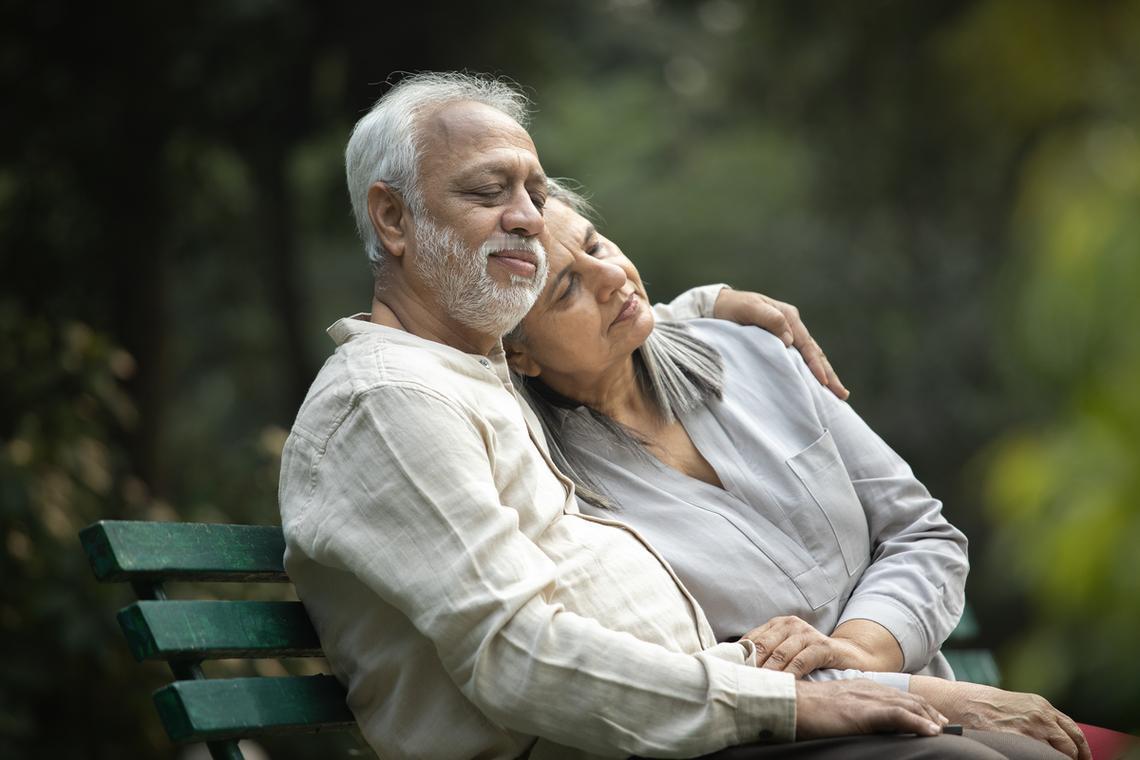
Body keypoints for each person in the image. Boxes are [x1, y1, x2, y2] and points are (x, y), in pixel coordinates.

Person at [279, 71, 1066, 759]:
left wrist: (711, 308)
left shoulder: (472, 369)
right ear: (393, 220)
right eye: (489, 192)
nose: (525, 216)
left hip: (705, 717)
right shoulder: (394, 402)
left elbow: (594, 324)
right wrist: (806, 702)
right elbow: (516, 655)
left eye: (537, 192)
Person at [502, 188, 1090, 760]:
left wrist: (860, 650)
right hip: (782, 737)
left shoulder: (751, 352)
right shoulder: (559, 497)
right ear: (519, 355)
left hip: (926, 690)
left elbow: (922, 533)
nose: (611, 278)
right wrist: (931, 694)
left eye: (597, 246)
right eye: (567, 288)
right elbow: (692, 676)